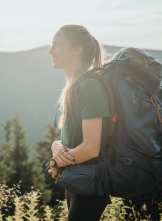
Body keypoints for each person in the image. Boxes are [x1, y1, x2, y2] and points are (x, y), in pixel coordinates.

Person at [48, 25, 110, 221]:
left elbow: (91, 148)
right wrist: (56, 145)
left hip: (90, 187)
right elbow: (73, 138)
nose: (50, 51)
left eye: (56, 45)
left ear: (77, 49)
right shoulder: (74, 87)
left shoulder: (90, 86)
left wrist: (56, 162)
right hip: (78, 182)